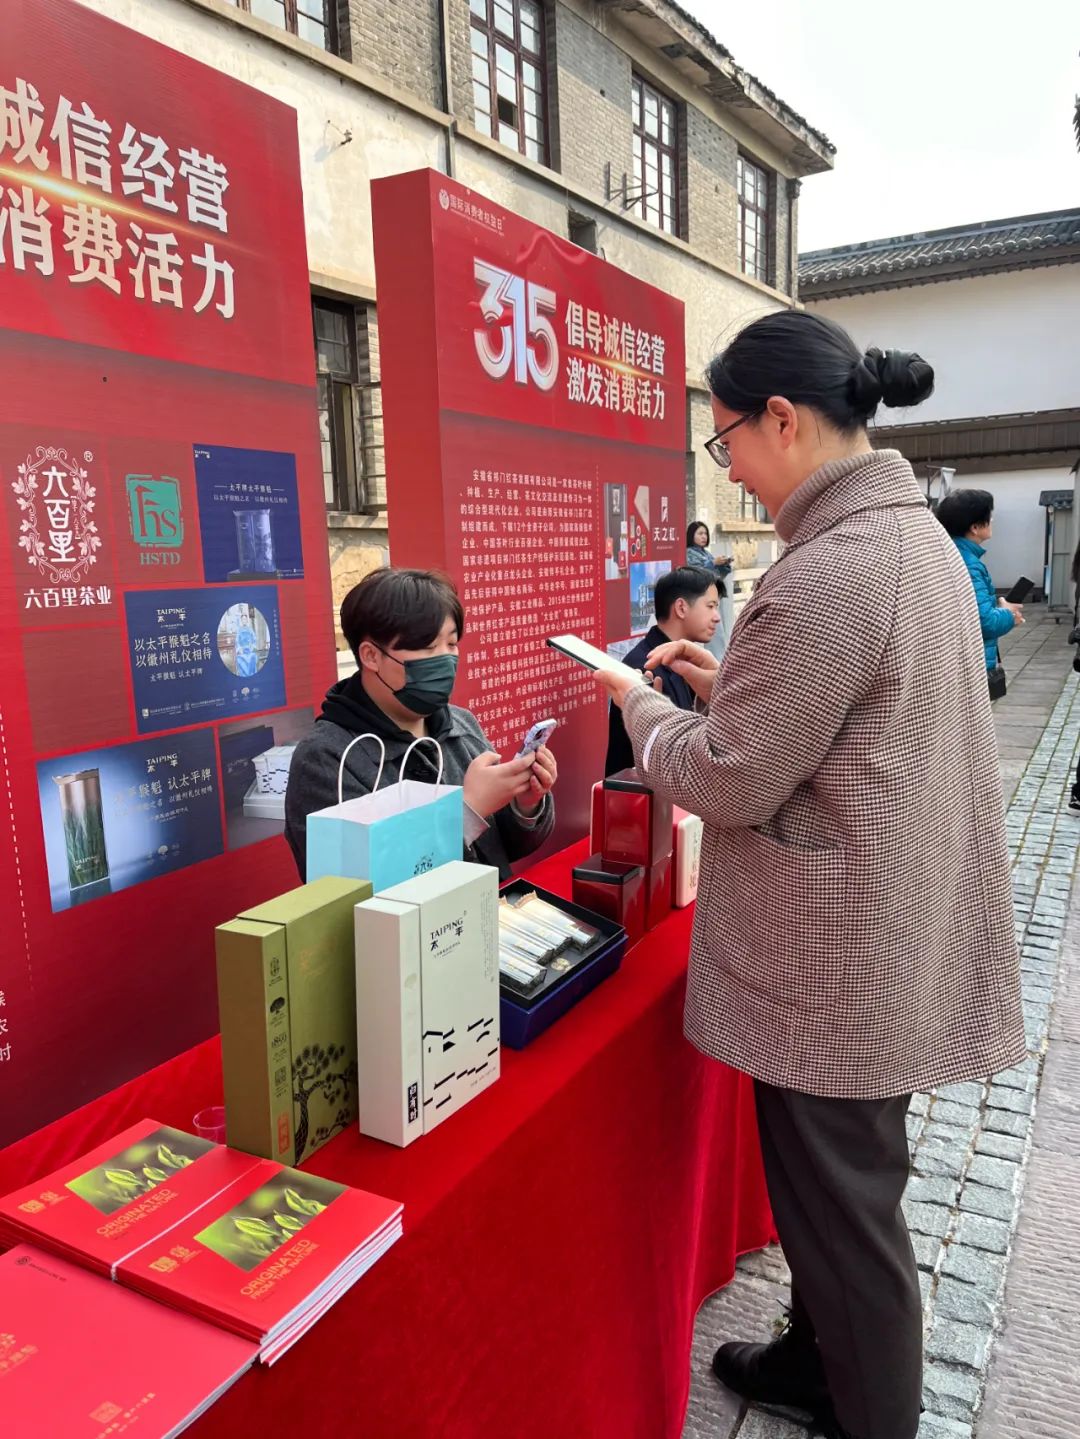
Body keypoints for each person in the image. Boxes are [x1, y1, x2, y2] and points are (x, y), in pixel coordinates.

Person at [594, 310, 1024, 1439]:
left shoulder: (830, 570)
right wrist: (733, 680)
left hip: (835, 960)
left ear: (782, 419)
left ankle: (867, 1408)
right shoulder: (909, 538)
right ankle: (814, 1355)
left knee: (845, 1213)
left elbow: (730, 779)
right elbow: (847, 717)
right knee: (839, 1194)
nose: (728, 465)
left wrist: (640, 703)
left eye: (726, 437)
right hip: (889, 921)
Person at [285, 568, 556, 880]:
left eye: (451, 644)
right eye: (427, 647)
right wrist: (467, 812)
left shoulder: (461, 724)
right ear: (371, 656)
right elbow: (349, 885)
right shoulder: (326, 757)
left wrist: (525, 804)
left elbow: (504, 848)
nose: (445, 660)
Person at [605, 566, 720, 776]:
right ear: (681, 608)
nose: (717, 617)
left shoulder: (689, 662)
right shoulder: (644, 667)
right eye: (710, 606)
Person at [934, 489, 1024, 697]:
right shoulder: (970, 565)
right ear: (975, 527)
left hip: (951, 663)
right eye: (988, 517)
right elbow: (985, 622)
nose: (992, 520)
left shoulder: (945, 553)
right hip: (972, 665)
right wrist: (1009, 614)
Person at [686, 520, 732, 659]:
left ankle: (718, 661)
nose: (703, 536)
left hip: (712, 598)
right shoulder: (688, 553)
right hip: (699, 599)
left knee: (717, 633)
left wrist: (724, 566)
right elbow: (696, 571)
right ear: (691, 535)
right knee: (712, 633)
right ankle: (716, 661)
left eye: (705, 533)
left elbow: (716, 575)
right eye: (700, 533)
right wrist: (713, 563)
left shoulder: (706, 554)